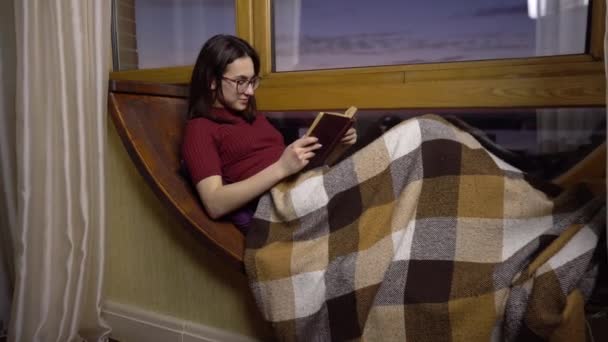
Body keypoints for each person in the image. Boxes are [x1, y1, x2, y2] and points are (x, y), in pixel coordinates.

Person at [181, 34, 357, 231]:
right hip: (279, 206)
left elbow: (300, 168)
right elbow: (214, 203)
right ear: (212, 81)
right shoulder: (200, 128)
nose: (250, 92)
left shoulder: (253, 118)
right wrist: (282, 167)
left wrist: (339, 146)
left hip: (302, 187)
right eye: (241, 81)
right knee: (398, 142)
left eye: (252, 81)